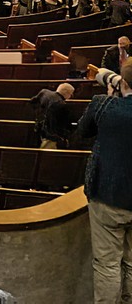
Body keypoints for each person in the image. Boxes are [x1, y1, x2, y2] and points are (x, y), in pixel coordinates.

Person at [77, 59, 132, 303]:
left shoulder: (105, 105)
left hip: (109, 197)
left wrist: (111, 96)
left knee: (107, 264)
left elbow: (83, 130)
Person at [30, 83, 75, 149]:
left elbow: (32, 102)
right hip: (49, 134)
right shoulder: (61, 104)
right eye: (71, 94)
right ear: (66, 93)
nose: (71, 96)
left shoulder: (44, 92)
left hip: (38, 126)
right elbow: (62, 124)